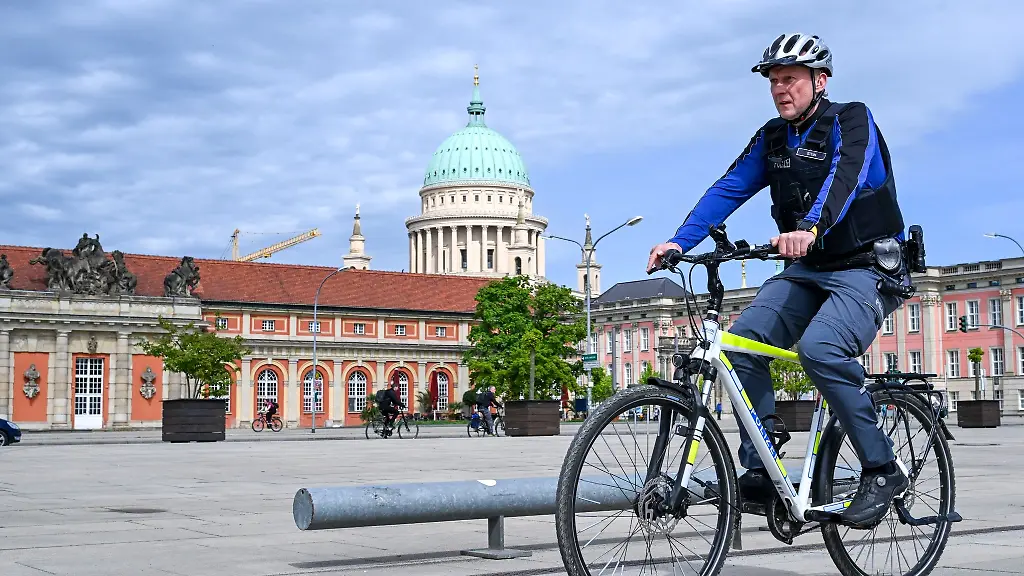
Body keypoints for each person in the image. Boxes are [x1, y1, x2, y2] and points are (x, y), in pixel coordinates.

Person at [646, 33, 909, 529]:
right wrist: (679, 241)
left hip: (868, 268)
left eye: (790, 78)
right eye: (773, 80)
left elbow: (845, 177)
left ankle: (881, 467)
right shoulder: (771, 137)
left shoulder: (852, 119)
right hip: (807, 271)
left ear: (820, 81)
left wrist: (810, 228)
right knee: (740, 346)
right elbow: (728, 187)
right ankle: (762, 466)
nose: (780, 89)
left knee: (821, 350)